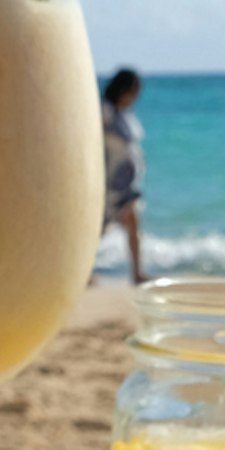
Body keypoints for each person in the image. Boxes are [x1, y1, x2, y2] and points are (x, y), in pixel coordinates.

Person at [99, 66, 146, 286]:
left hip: (127, 184)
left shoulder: (124, 114)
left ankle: (136, 272)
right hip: (112, 182)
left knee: (132, 226)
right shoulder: (106, 111)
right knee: (96, 231)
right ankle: (80, 273)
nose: (135, 97)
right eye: (134, 91)